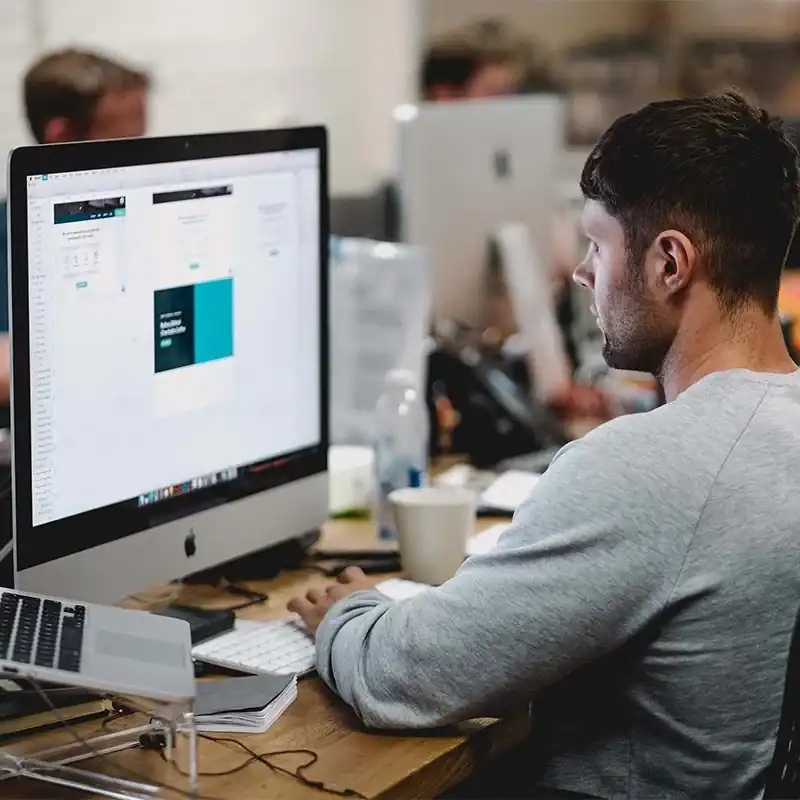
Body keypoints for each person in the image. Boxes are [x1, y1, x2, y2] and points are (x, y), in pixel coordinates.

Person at [289, 91, 800, 799]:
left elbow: (405, 676)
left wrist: (346, 612)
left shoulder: (648, 467)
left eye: (597, 245)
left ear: (670, 264)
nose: (584, 274)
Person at [0, 48, 150, 404]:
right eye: (124, 146)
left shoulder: (153, 222)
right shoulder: (11, 240)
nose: (144, 163)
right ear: (61, 135)